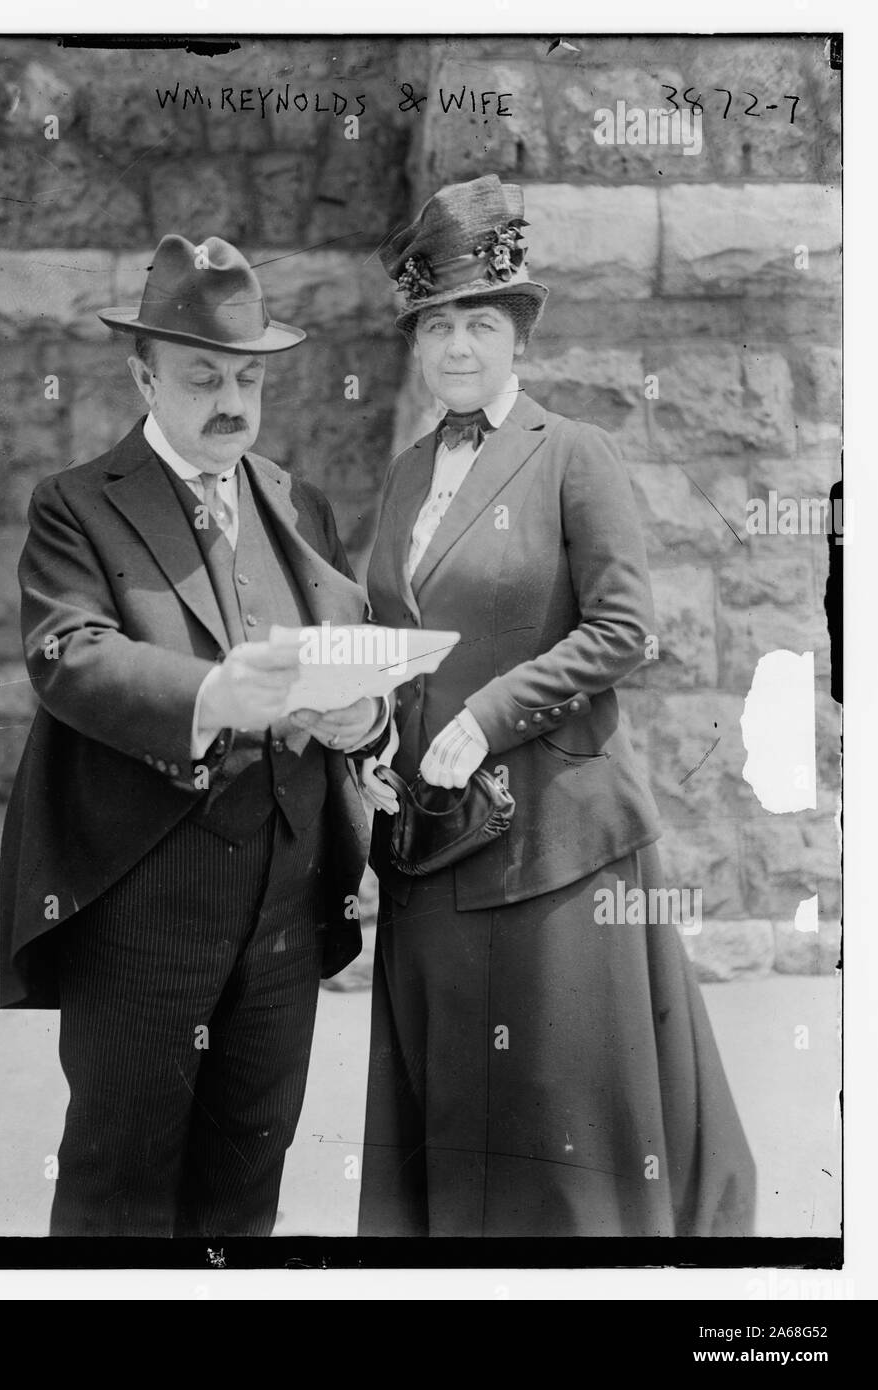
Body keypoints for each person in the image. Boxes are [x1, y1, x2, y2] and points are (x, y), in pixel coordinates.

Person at [356, 175, 756, 1238]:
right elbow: (397, 638)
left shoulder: (572, 453)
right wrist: (373, 743)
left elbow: (623, 630)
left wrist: (484, 715)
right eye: (435, 326)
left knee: (553, 1101)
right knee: (451, 1100)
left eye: (476, 324)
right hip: (431, 841)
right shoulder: (402, 477)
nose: (454, 348)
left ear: (515, 334)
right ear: (414, 341)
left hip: (552, 835)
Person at [0, 234, 389, 1237]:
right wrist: (213, 692)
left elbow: (350, 650)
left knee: (244, 1183)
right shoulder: (78, 505)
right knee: (118, 1184)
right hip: (144, 900)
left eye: (247, 376)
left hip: (284, 904)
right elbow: (68, 655)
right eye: (202, 376)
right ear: (144, 376)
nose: (231, 399)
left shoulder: (296, 501)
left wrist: (363, 713)